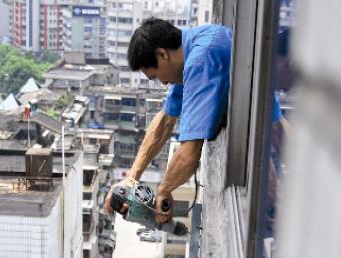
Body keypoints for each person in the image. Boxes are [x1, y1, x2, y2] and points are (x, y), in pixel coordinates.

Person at [104, 18, 283, 224]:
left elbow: (189, 155)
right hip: (265, 131)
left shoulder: (200, 61)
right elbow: (164, 123)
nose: (163, 82)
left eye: (155, 76)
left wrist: (164, 190)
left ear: (162, 54)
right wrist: (131, 177)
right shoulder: (195, 49)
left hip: (266, 135)